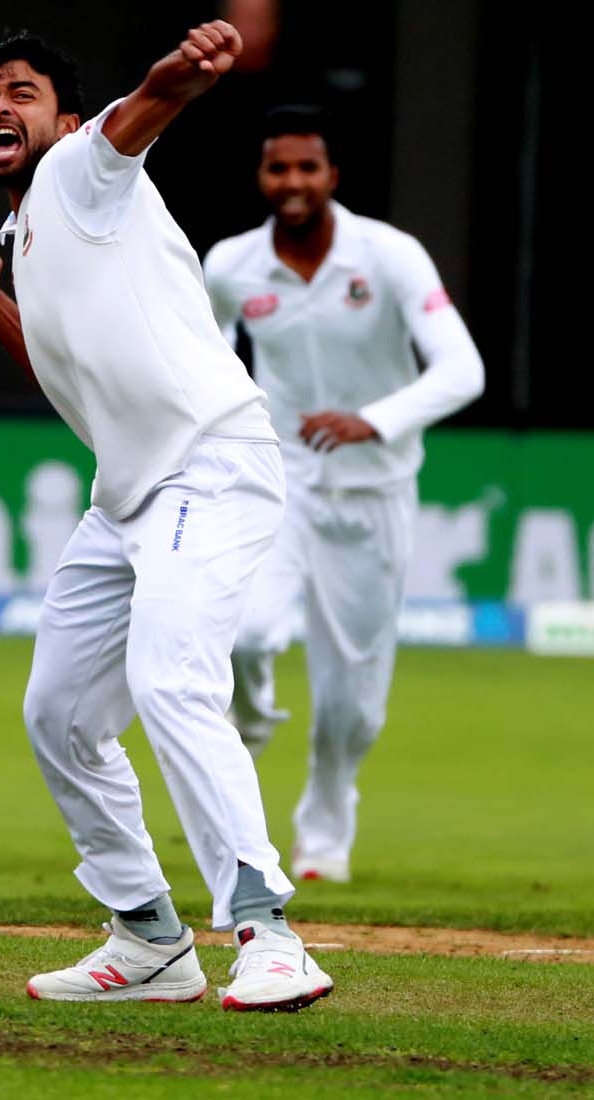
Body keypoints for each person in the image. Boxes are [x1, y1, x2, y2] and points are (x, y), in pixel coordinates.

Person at [0, 24, 333, 1011]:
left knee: (169, 678)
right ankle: (149, 935)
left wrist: (181, 72)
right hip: (124, 494)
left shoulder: (81, 168)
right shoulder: (29, 236)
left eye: (19, 92)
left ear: (62, 119)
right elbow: (72, 387)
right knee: (57, 715)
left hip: (210, 460)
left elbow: (136, 116)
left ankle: (266, 929)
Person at [204, 105, 484, 883]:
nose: (291, 183)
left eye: (306, 168)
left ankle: (326, 828)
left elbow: (463, 371)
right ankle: (251, 718)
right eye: (276, 168)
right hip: (279, 481)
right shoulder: (230, 264)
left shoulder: (388, 256)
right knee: (247, 633)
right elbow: (204, 356)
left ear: (332, 175)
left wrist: (375, 420)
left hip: (374, 495)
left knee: (349, 707)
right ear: (262, 176)